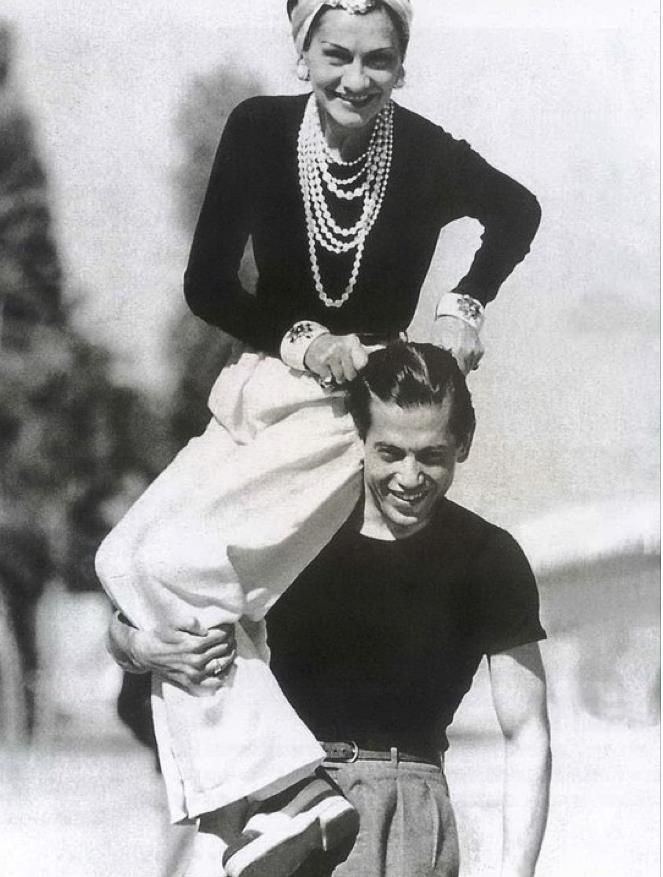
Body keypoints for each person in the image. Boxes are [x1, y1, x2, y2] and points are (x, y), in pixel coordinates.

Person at [96, 0, 541, 872]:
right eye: (335, 55)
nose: (355, 79)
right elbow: (206, 283)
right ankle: (274, 801)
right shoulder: (258, 130)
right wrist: (304, 337)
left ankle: (277, 796)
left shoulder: (420, 151)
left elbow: (515, 210)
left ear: (401, 66)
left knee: (185, 566)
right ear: (301, 52)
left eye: (378, 60)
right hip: (266, 381)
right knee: (122, 559)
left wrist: (462, 306)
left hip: (351, 409)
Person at [109, 342, 551, 876]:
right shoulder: (285, 532)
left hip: (408, 822)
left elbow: (526, 731)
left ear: (464, 443)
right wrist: (138, 646)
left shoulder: (488, 556)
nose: (409, 478)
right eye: (389, 452)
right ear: (358, 438)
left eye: (431, 455)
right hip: (281, 816)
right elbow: (144, 612)